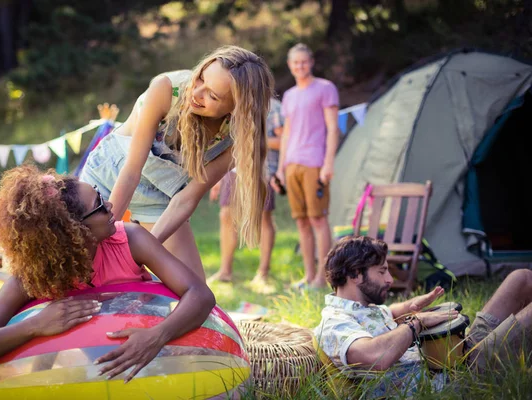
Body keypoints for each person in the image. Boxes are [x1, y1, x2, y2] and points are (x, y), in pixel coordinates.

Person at [0, 165, 216, 383]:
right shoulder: (36, 275)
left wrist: (157, 335)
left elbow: (200, 294)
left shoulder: (130, 239)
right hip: (81, 372)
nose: (111, 205)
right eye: (99, 204)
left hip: (148, 362)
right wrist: (35, 326)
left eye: (101, 196)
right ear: (73, 230)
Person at [80, 46, 275, 281]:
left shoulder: (239, 137)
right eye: (201, 78)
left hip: (162, 195)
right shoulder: (166, 89)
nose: (197, 92)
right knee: (85, 266)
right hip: (112, 172)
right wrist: (110, 243)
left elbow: (187, 198)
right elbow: (131, 171)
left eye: (212, 95)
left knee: (193, 287)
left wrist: (143, 251)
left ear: (237, 109)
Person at [314, 236, 532, 397]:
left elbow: (390, 313)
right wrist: (416, 323)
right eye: (382, 272)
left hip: (451, 357)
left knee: (521, 278)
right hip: (451, 382)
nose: (390, 279)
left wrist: (412, 306)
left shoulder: (362, 309)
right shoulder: (335, 323)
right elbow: (374, 356)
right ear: (354, 274)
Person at [273, 43, 339, 289]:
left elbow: (333, 128)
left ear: (310, 62)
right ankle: (309, 276)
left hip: (315, 162)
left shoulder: (325, 88)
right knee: (301, 222)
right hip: (292, 164)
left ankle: (324, 277)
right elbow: (287, 134)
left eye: (303, 61)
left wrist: (328, 163)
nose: (299, 66)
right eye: (295, 62)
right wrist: (281, 167)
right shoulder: (289, 95)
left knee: (318, 220)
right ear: (290, 65)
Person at [209, 97, 284, 287]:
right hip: (232, 169)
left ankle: (263, 272)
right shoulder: (233, 104)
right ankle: (225, 271)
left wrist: (255, 138)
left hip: (262, 170)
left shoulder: (273, 107)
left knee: (263, 218)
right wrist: (216, 177)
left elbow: (282, 142)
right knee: (226, 215)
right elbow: (223, 141)